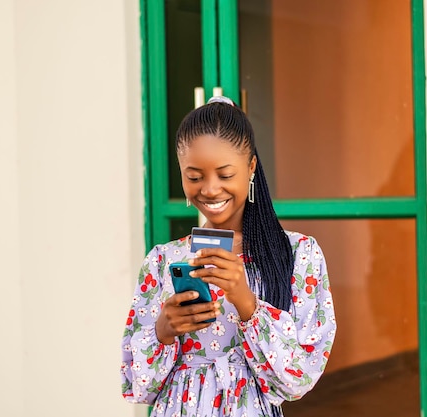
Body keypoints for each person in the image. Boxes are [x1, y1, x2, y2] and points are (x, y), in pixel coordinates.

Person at [121, 96, 336, 417]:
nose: (209, 189)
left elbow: (300, 378)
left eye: (224, 175)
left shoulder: (297, 255)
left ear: (250, 167)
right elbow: (135, 385)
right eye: (194, 177)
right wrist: (163, 331)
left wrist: (246, 302)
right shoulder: (162, 260)